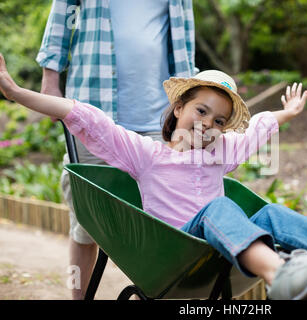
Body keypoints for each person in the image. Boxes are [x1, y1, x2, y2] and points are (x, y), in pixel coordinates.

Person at [0, 56, 307, 300]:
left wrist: (286, 114)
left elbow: (256, 129)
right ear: (180, 107)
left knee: (268, 212)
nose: (209, 124)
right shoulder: (146, 155)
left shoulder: (221, 154)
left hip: (219, 251)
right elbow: (85, 117)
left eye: (219, 120)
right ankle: (280, 276)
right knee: (220, 206)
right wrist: (17, 93)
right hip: (174, 252)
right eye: (201, 111)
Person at [36, 0, 195, 299]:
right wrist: (50, 78)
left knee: (166, 225)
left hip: (157, 121)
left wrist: (189, 109)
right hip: (93, 115)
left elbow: (183, 43)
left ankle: (148, 296)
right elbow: (63, 13)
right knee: (85, 226)